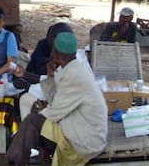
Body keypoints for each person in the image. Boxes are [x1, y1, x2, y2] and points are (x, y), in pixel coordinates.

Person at [7, 32, 108, 166]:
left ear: (56, 54)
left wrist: (39, 112)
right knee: (34, 120)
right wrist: (49, 76)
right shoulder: (74, 68)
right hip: (85, 130)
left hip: (84, 142)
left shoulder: (73, 76)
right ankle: (37, 157)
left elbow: (54, 112)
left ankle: (13, 161)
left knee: (32, 122)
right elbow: (55, 96)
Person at [14, 22, 74, 91]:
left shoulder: (70, 66)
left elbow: (54, 86)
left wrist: (27, 83)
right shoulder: (44, 44)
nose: (52, 53)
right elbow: (34, 62)